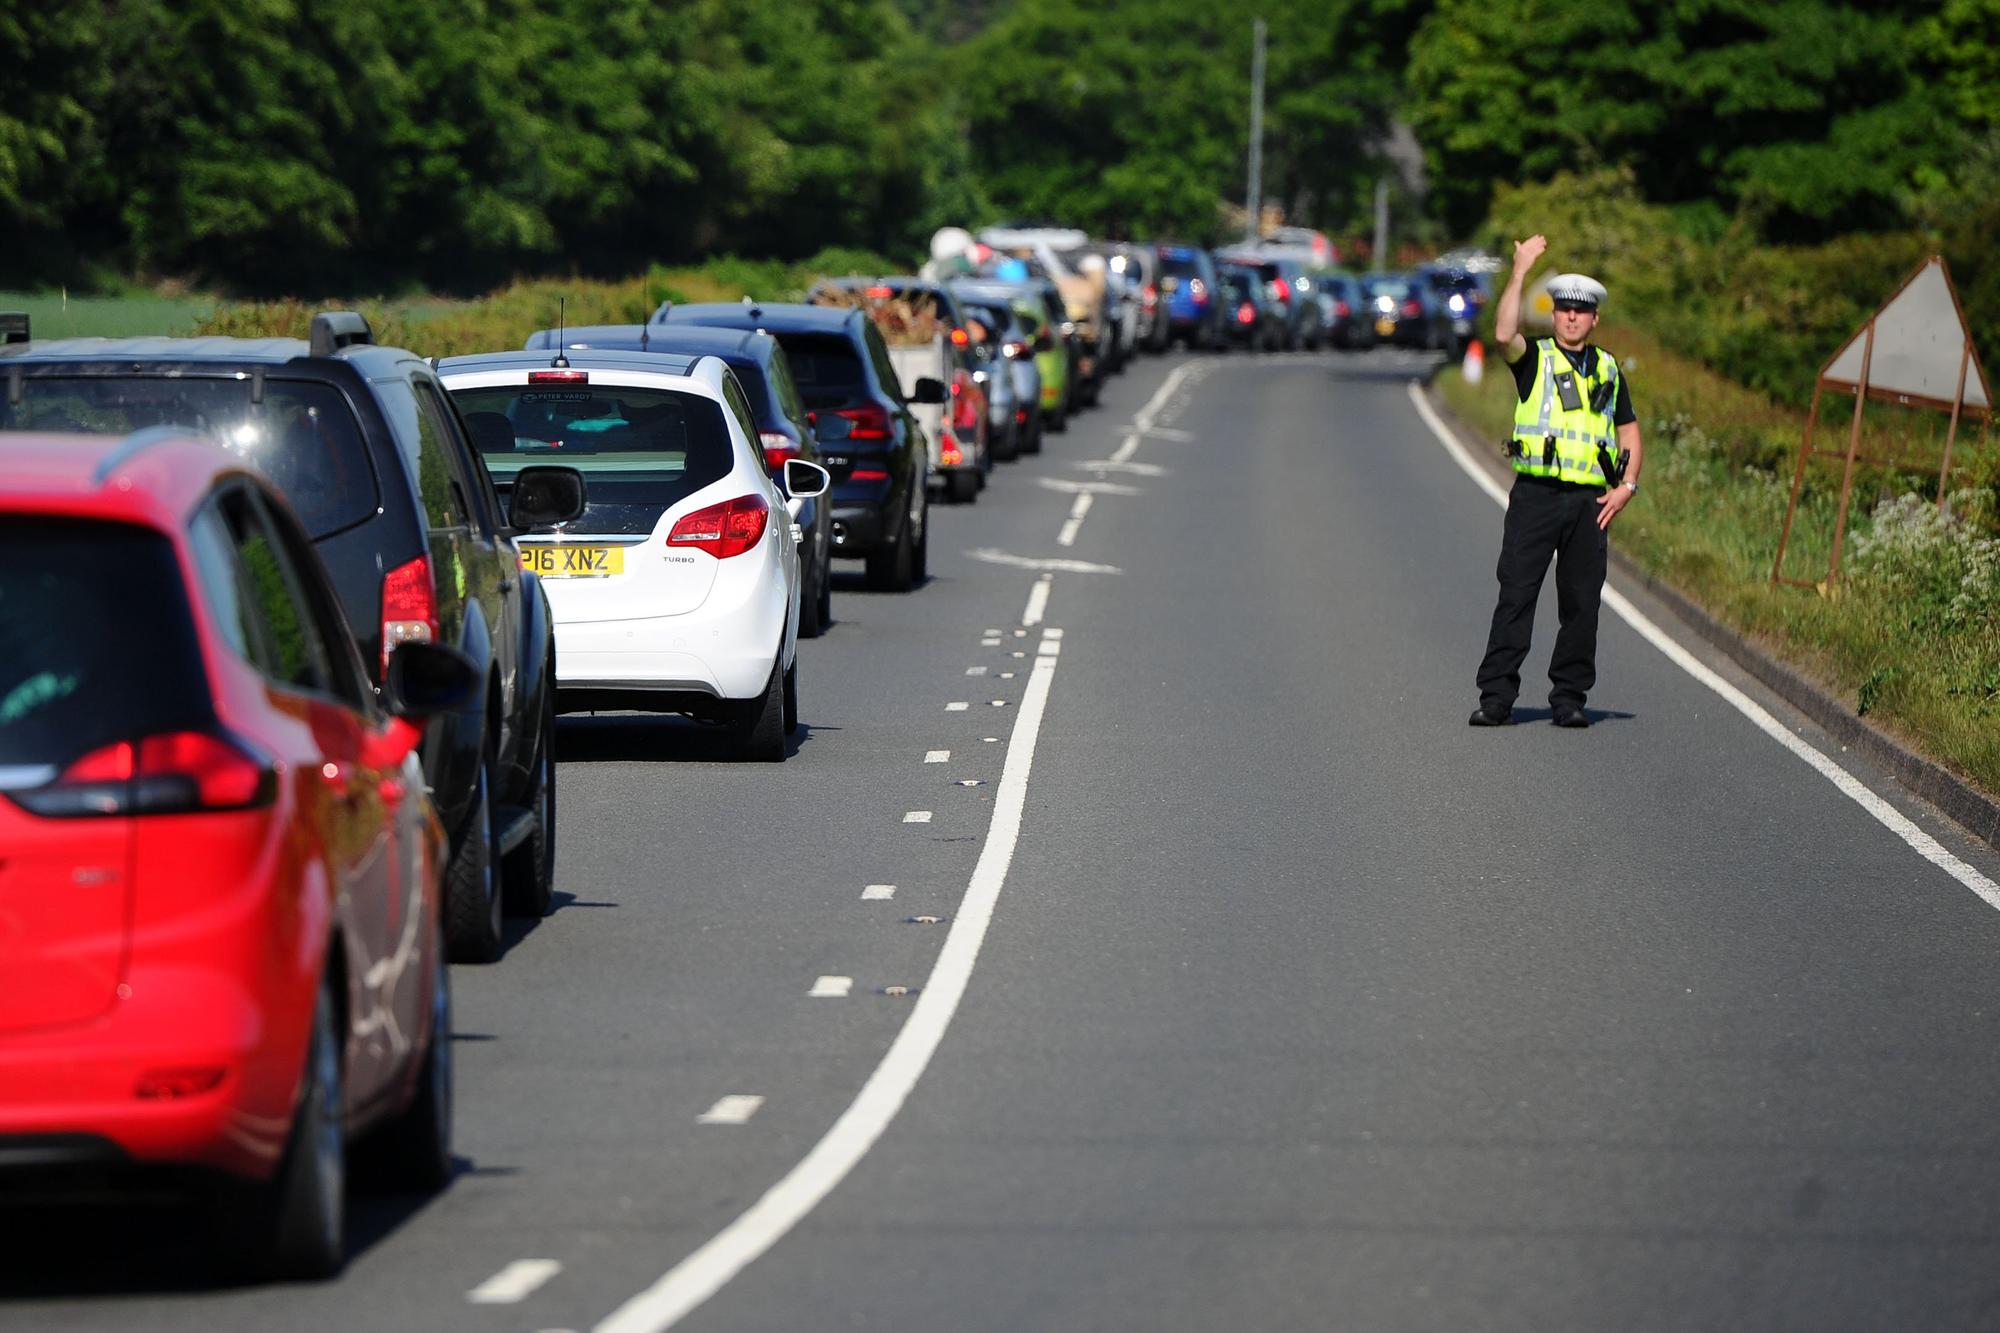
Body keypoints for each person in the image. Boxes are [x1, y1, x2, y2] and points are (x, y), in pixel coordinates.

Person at [1469, 234, 1644, 729]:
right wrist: (1521, 269)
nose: (1571, 317)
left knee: (1581, 603)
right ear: (1554, 314)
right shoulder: (1535, 359)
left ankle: (1569, 697)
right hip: (1537, 496)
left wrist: (1628, 485)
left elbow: (1629, 429)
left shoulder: (1609, 368)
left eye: (1580, 311)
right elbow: (1504, 334)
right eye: (1563, 309)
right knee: (1517, 594)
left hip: (1590, 502)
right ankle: (1497, 697)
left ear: (1594, 319)